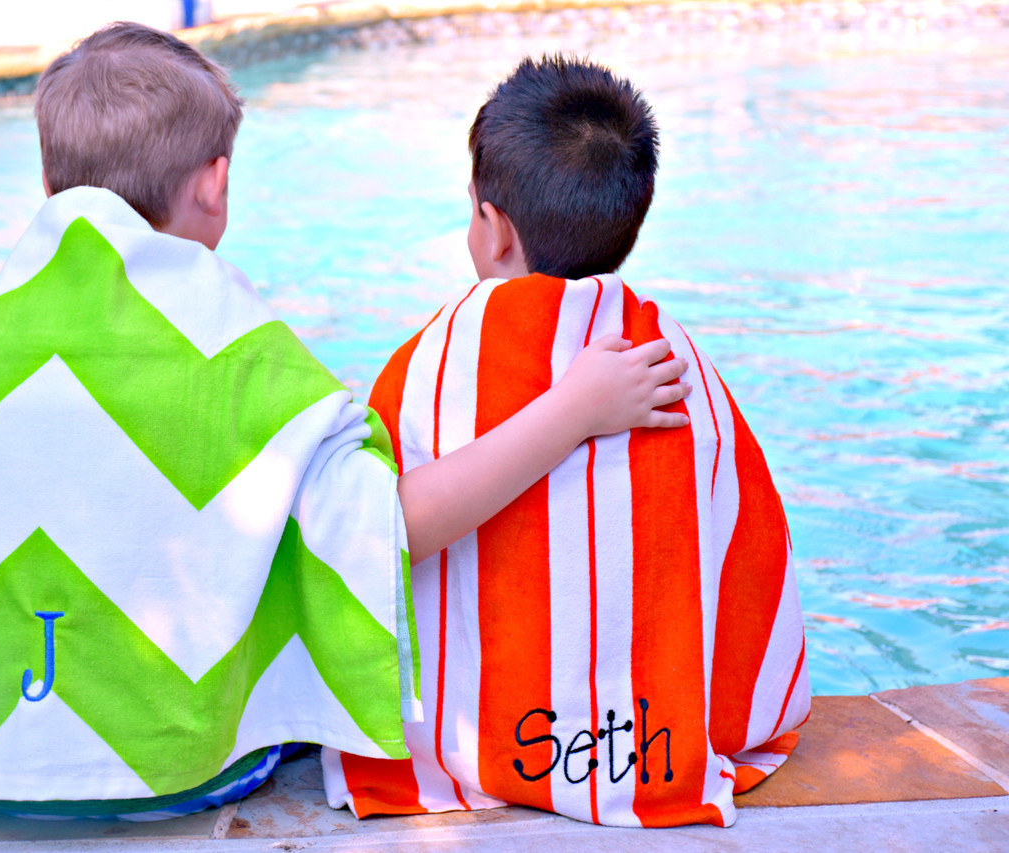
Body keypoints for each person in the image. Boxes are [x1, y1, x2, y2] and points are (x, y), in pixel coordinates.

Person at [0, 27, 690, 820]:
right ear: (214, 185)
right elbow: (390, 525)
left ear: (52, 184)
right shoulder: (235, 357)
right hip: (184, 769)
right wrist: (573, 410)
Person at [322, 55, 810, 828]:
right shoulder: (676, 360)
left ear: (495, 230)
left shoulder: (434, 362)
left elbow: (376, 530)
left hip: (464, 744)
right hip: (644, 746)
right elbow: (749, 539)